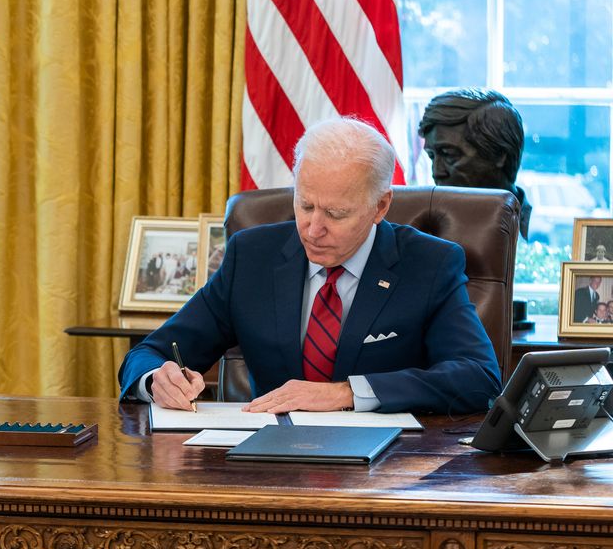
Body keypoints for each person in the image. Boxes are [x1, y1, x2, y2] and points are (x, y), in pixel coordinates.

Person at [119, 117, 501, 415]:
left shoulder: (429, 264)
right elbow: (149, 353)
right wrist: (157, 380)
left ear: (380, 207)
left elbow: (478, 378)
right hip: (269, 467)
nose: (313, 228)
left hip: (385, 473)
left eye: (336, 213)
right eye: (305, 205)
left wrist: (346, 393)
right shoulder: (252, 256)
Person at [417, 88, 531, 239]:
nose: (437, 172)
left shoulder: (542, 230)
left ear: (498, 154)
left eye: (450, 155)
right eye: (432, 156)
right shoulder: (425, 229)